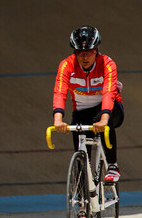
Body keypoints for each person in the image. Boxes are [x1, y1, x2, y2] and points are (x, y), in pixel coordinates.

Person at [52, 25, 124, 184]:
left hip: (108, 109)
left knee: (106, 120)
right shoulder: (66, 66)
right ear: (74, 53)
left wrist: (104, 119)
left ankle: (112, 165)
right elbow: (60, 91)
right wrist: (58, 119)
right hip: (82, 113)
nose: (84, 57)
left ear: (97, 50)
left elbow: (108, 93)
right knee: (81, 157)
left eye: (89, 52)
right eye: (79, 53)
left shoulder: (107, 64)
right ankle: (81, 193)